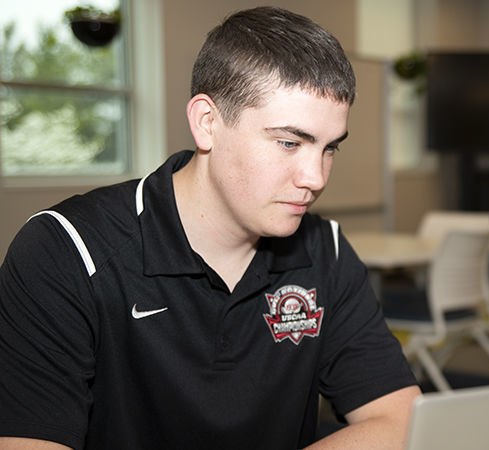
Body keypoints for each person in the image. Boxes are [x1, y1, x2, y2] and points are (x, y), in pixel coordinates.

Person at [0, 6, 421, 449]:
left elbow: (399, 417)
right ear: (207, 123)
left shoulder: (326, 250)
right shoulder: (66, 250)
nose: (315, 178)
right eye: (289, 143)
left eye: (329, 148)